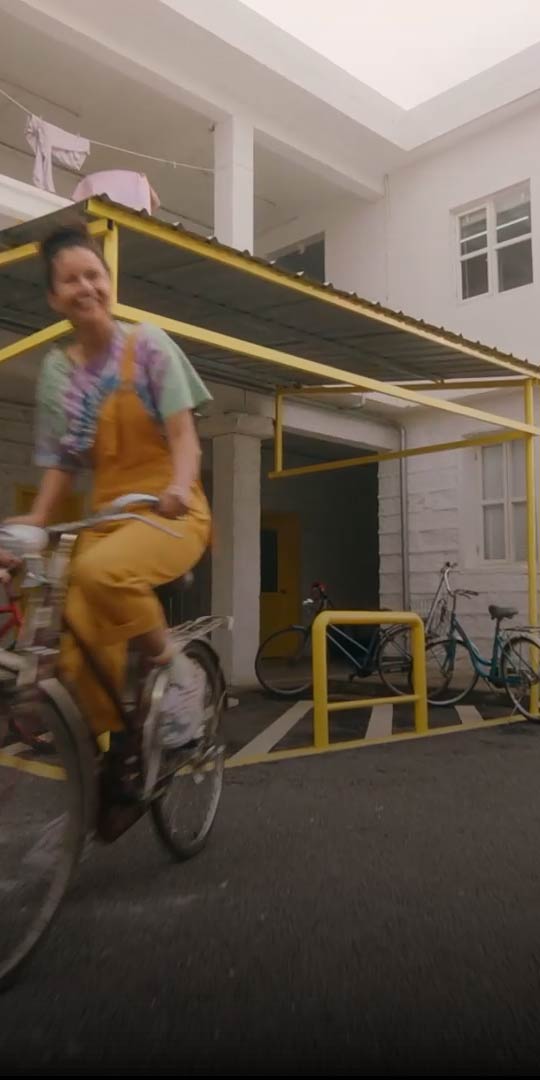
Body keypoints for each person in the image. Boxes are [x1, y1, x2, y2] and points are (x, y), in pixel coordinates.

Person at [9, 223, 212, 799]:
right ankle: (113, 749)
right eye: (71, 280)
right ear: (54, 298)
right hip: (105, 520)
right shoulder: (58, 371)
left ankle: (180, 675)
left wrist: (179, 485)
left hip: (168, 512)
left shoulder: (149, 345)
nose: (86, 287)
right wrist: (37, 520)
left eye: (93, 275)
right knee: (71, 627)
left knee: (101, 574)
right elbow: (63, 461)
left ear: (109, 282)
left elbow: (185, 437)